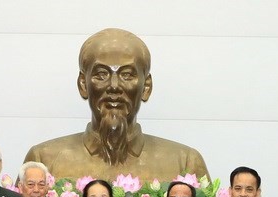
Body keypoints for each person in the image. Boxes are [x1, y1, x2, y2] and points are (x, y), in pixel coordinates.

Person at [24, 28, 209, 183]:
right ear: (83, 84)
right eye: (101, 74)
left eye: (127, 75)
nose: (114, 86)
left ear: (146, 87)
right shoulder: (44, 161)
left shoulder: (185, 164)